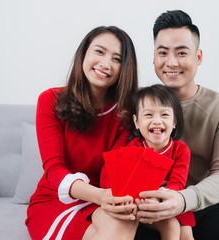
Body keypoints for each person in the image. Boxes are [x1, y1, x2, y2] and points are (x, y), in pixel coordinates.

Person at [135, 10, 219, 240]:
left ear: (198, 57)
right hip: (152, 205)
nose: (171, 62)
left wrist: (182, 200)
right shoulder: (139, 106)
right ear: (153, 57)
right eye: (163, 53)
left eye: (181, 53)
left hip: (204, 205)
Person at [25, 26, 140, 240]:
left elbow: (111, 173)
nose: (105, 64)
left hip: (102, 198)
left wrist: (117, 200)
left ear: (125, 68)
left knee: (125, 222)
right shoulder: (50, 100)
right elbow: (54, 169)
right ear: (84, 53)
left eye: (117, 59)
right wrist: (102, 197)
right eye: (99, 51)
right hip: (55, 199)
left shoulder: (125, 114)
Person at [101, 84, 195, 240]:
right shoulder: (134, 147)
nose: (157, 121)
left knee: (186, 233)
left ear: (174, 122)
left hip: (169, 200)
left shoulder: (181, 150)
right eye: (149, 115)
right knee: (171, 226)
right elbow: (121, 179)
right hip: (140, 202)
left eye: (164, 115)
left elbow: (177, 183)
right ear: (136, 122)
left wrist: (160, 197)